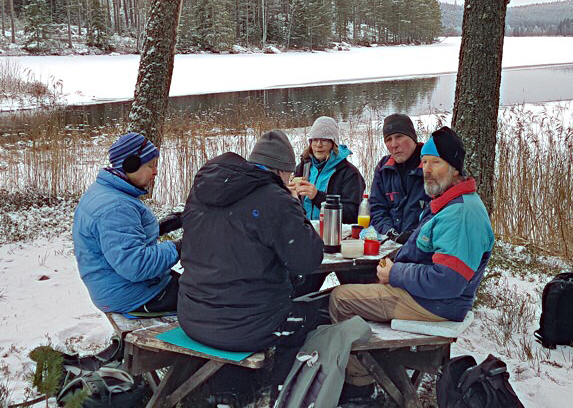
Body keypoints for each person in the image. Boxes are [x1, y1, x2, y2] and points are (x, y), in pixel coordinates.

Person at [329, 126, 495, 396]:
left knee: (339, 299)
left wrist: (395, 274)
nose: (427, 169)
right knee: (356, 282)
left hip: (435, 304)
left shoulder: (461, 214)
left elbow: (447, 281)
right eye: (425, 162)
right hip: (429, 297)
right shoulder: (448, 202)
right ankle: (376, 362)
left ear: (455, 168)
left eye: (436, 162)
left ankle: (359, 386)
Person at [177, 130, 326, 398]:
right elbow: (307, 260)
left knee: (246, 298)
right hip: (245, 329)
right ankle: (280, 395)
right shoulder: (275, 200)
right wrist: (295, 206)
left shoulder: (204, 189)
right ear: (282, 172)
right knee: (310, 318)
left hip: (192, 316)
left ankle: (232, 385)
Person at [72, 132, 182, 314]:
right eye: (150, 165)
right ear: (131, 166)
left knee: (201, 282)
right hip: (132, 295)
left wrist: (174, 222)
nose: (155, 171)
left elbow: (126, 236)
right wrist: (181, 247)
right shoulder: (115, 207)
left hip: (117, 286)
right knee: (218, 294)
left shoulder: (107, 190)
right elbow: (136, 265)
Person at [369, 113, 430, 244]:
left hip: (422, 247)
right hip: (389, 245)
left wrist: (412, 237)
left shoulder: (430, 166)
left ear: (413, 138)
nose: (394, 144)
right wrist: (390, 233)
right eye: (388, 139)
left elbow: (437, 215)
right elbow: (376, 210)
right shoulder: (383, 168)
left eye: (399, 136)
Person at [293, 116, 365, 225]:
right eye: (315, 140)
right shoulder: (303, 168)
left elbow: (352, 215)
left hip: (334, 234)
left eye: (324, 140)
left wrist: (318, 197)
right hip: (305, 232)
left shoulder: (350, 173)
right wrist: (289, 194)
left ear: (333, 143)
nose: (318, 145)